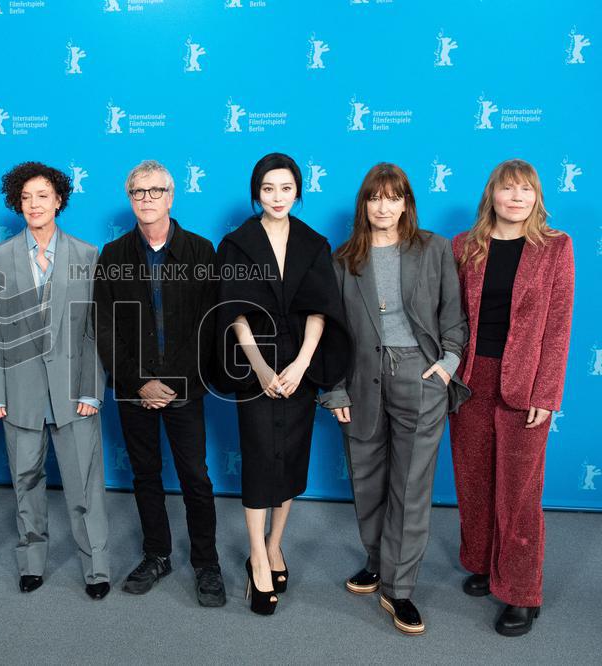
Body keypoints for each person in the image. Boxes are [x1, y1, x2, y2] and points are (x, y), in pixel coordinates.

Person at [320, 163, 469, 635]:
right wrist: (335, 387)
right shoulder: (344, 259)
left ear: (406, 202)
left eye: (393, 197)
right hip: (360, 378)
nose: (383, 207)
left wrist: (446, 366)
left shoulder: (434, 249)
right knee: (366, 477)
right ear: (364, 204)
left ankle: (399, 589)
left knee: (410, 485)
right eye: (374, 198)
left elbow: (454, 315)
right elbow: (332, 333)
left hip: (418, 375)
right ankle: (376, 561)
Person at [214, 153, 348, 615]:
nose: (277, 197)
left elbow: (321, 309)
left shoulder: (314, 242)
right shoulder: (237, 243)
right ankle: (256, 557)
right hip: (254, 364)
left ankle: (275, 544)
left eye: (285, 188)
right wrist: (263, 369)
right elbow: (234, 312)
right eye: (268, 189)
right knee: (258, 457)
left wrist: (301, 364)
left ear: (298, 191)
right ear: (257, 193)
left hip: (301, 366)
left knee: (290, 458)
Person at [449, 159, 574, 637]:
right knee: (474, 482)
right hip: (471, 378)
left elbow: (559, 326)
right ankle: (484, 563)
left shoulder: (556, 248)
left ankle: (522, 592)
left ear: (537, 197)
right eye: (508, 189)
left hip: (526, 384)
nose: (517, 197)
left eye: (526, 190)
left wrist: (547, 391)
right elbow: (452, 317)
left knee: (520, 495)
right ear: (492, 196)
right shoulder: (466, 246)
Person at [93, 160, 225, 607]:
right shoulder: (112, 256)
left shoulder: (201, 251)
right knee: (145, 475)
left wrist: (168, 382)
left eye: (155, 191)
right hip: (133, 390)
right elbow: (105, 327)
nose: (146, 200)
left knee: (195, 476)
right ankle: (157, 553)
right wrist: (139, 382)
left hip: (185, 387)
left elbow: (209, 326)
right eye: (138, 192)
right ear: (130, 199)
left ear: (171, 196)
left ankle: (206, 562)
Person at [0, 162, 110, 599]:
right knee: (26, 482)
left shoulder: (87, 255)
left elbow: (95, 328)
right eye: (26, 197)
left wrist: (92, 388)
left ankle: (97, 569)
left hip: (75, 393)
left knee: (84, 485)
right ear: (18, 203)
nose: (34, 204)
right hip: (19, 395)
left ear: (59, 201)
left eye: (43, 196)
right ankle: (31, 562)